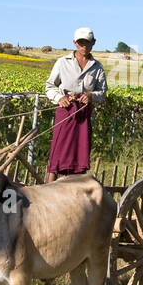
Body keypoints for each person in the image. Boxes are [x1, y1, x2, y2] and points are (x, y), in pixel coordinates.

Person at [44, 27, 107, 182]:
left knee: (79, 155)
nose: (83, 46)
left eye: (87, 42)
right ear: (74, 43)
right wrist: (60, 98)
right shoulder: (62, 62)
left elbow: (103, 92)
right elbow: (50, 86)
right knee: (57, 154)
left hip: (84, 115)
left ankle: (73, 191)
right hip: (66, 111)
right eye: (80, 43)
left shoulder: (97, 67)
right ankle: (48, 189)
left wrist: (91, 96)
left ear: (93, 43)